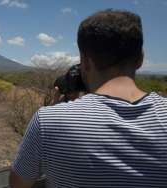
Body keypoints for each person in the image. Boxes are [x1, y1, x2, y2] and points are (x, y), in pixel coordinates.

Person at [10, 9, 167, 187]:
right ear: (140, 59)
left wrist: (56, 107)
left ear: (84, 61)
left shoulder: (48, 120)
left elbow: (18, 184)